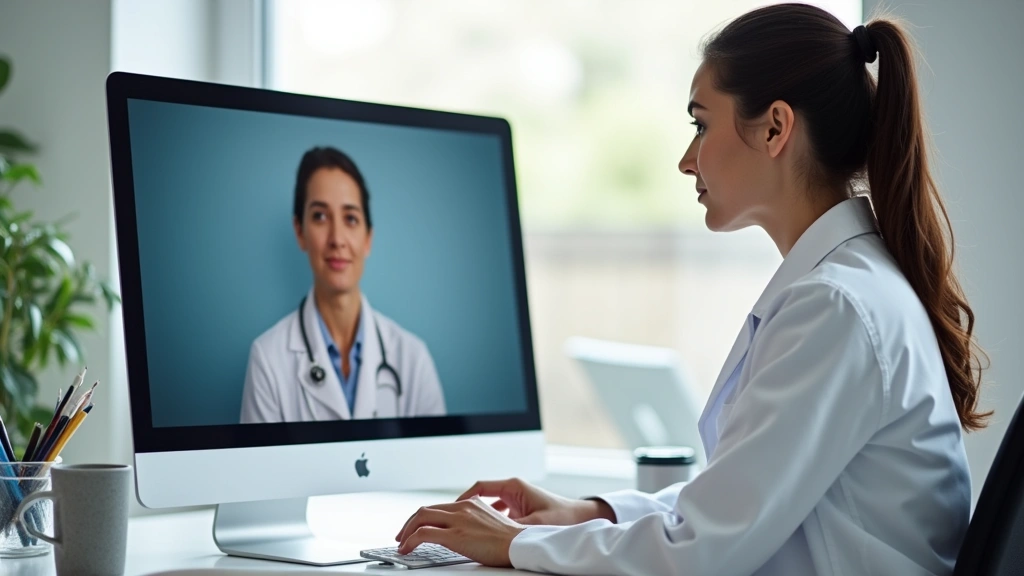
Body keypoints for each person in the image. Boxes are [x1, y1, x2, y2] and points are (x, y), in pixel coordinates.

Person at [390, 4, 989, 574]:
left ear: (776, 127)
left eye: (701, 125)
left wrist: (520, 542)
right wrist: (589, 512)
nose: (686, 159)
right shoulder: (847, 288)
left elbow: (702, 551)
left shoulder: (835, 307)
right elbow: (732, 502)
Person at [240, 146, 447, 422]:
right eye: (320, 217)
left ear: (368, 239)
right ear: (300, 231)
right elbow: (260, 467)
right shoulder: (267, 359)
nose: (337, 239)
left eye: (350, 219)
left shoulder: (413, 358)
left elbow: (434, 464)